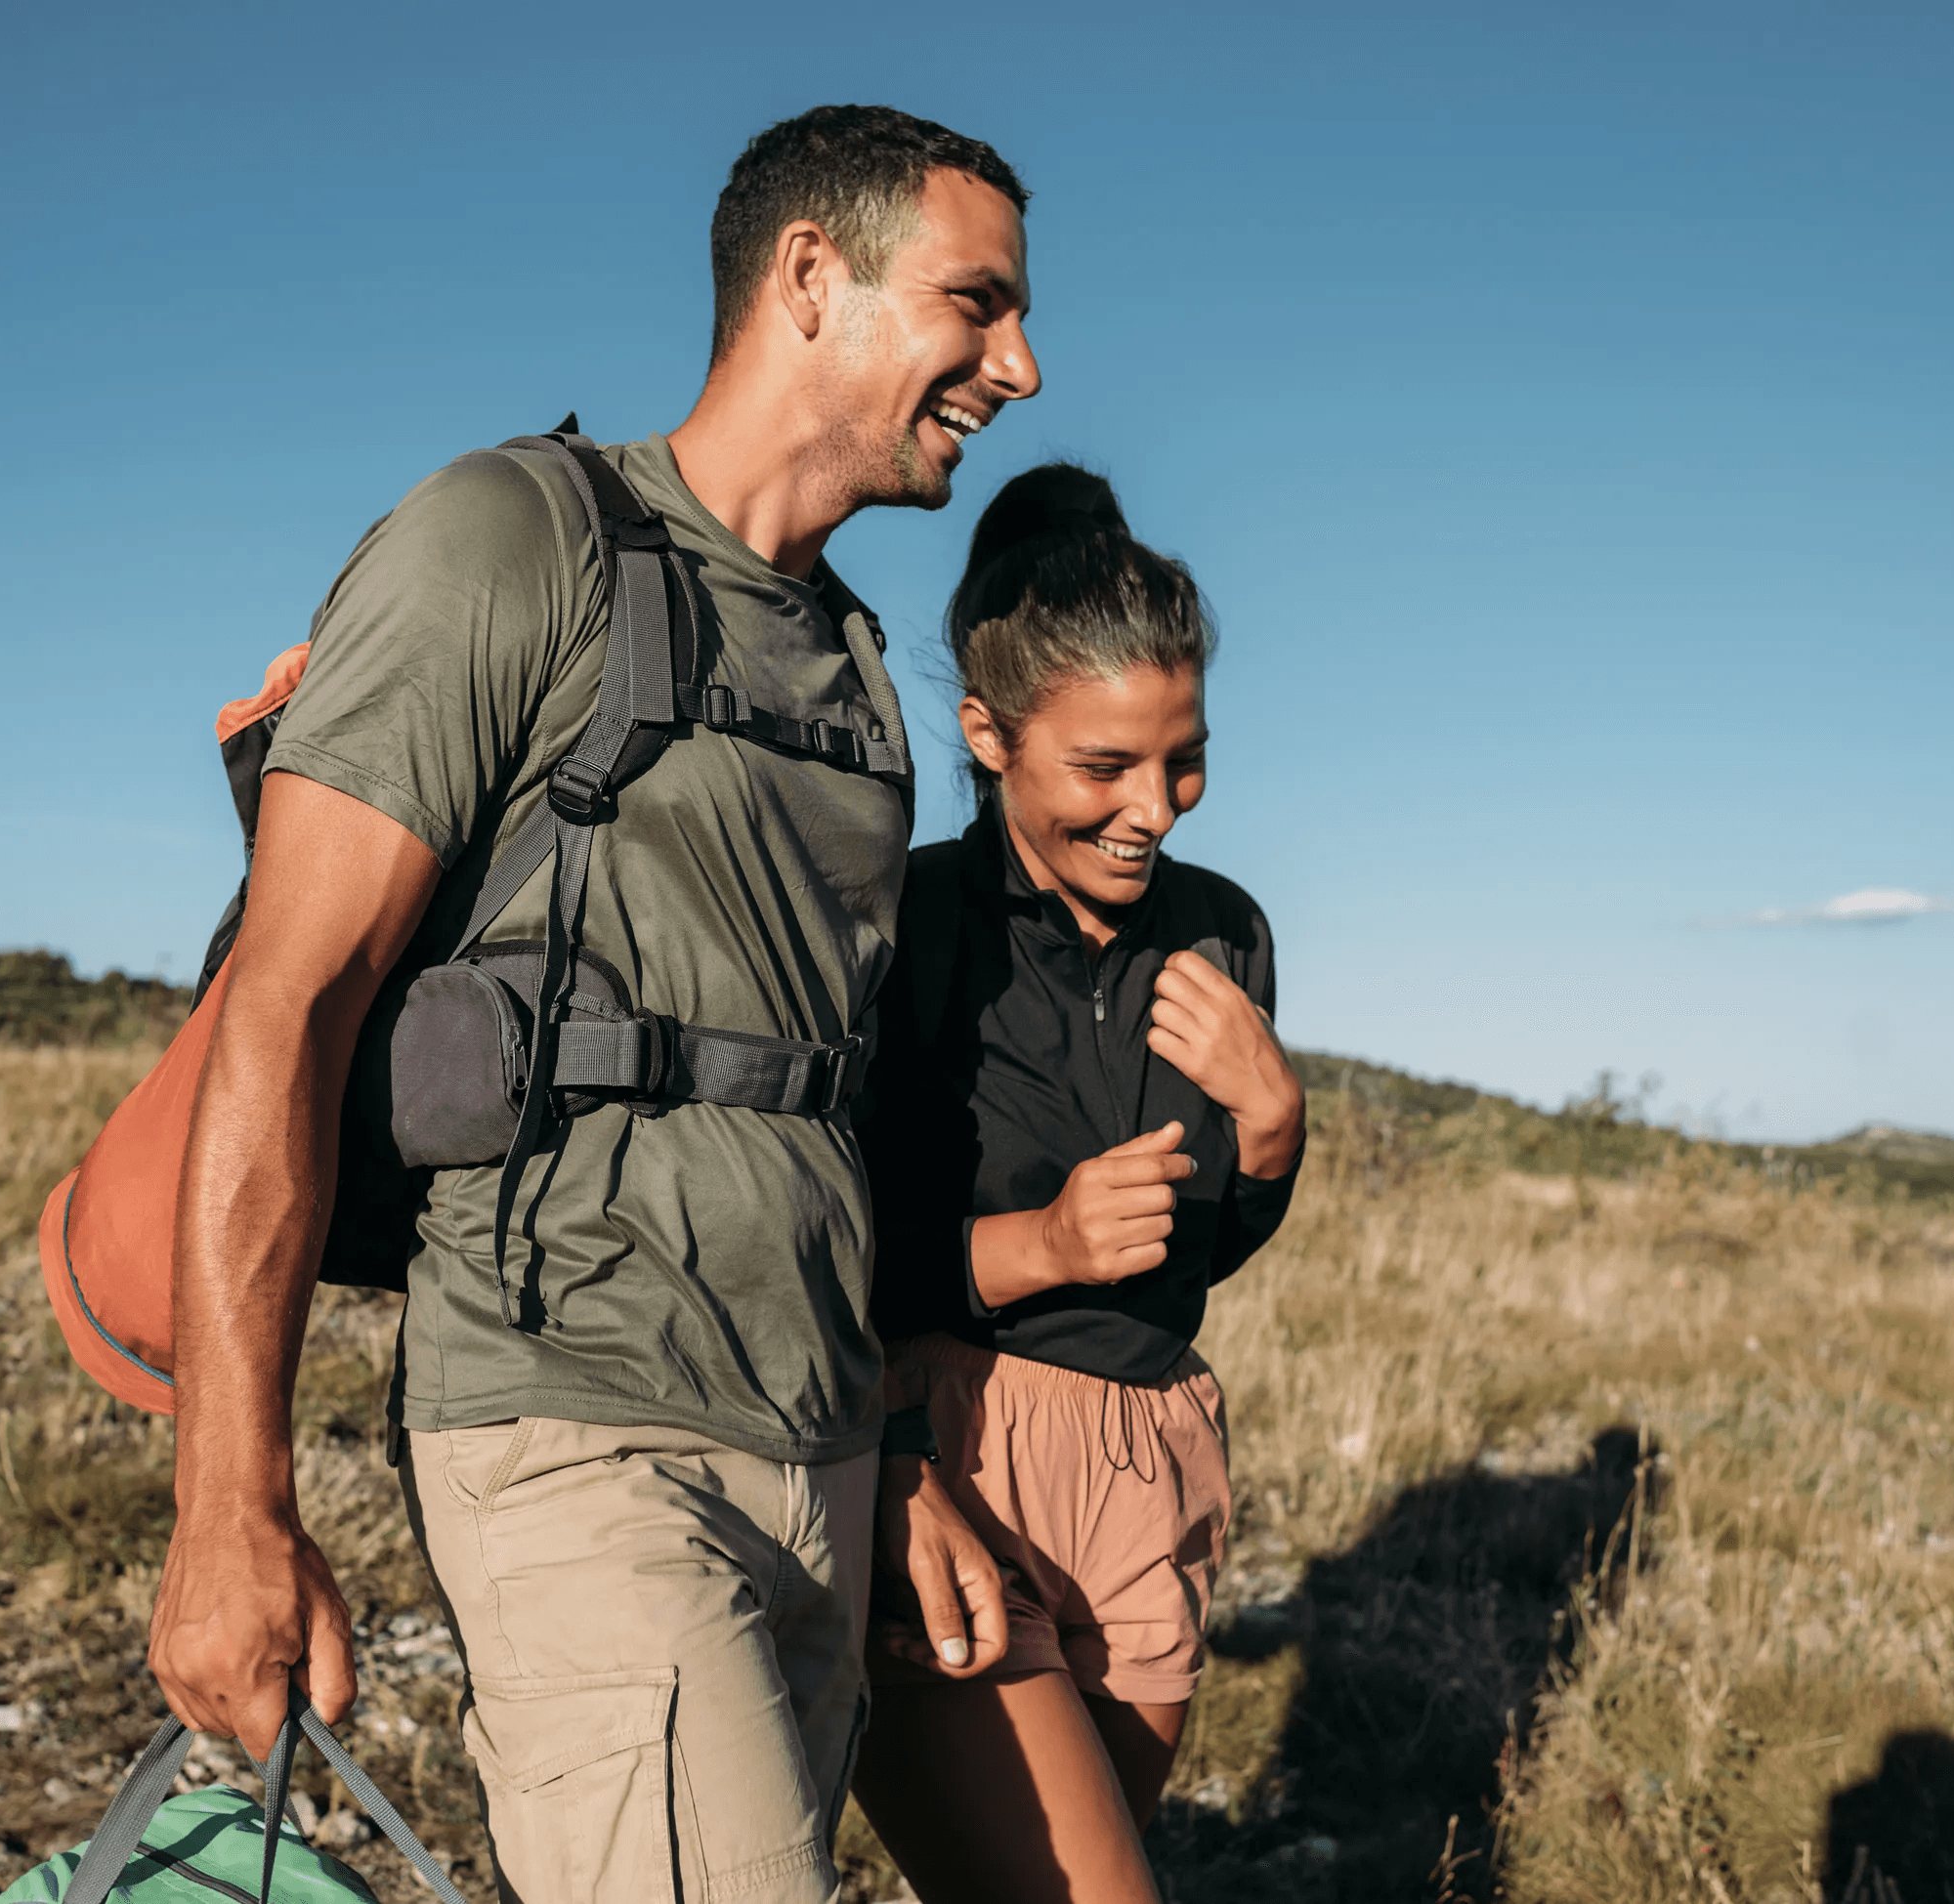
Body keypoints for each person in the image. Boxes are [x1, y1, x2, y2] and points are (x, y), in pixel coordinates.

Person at [147, 106, 1044, 1904]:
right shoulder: (515, 536)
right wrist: (223, 1507)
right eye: (978, 302)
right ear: (813, 276)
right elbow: (286, 1008)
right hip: (571, 1415)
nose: (1019, 366)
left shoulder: (861, 675)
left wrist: (887, 1445)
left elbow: (827, 1114)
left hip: (816, 1455)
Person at [850, 464, 1307, 1903]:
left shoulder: (1226, 935)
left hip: (1158, 1468)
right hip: (950, 1456)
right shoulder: (907, 927)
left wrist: (1277, 1133)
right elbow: (814, 1246)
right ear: (988, 735)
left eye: (1183, 761)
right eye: (1104, 768)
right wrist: (1035, 1245)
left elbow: (1199, 1249)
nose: (1153, 810)